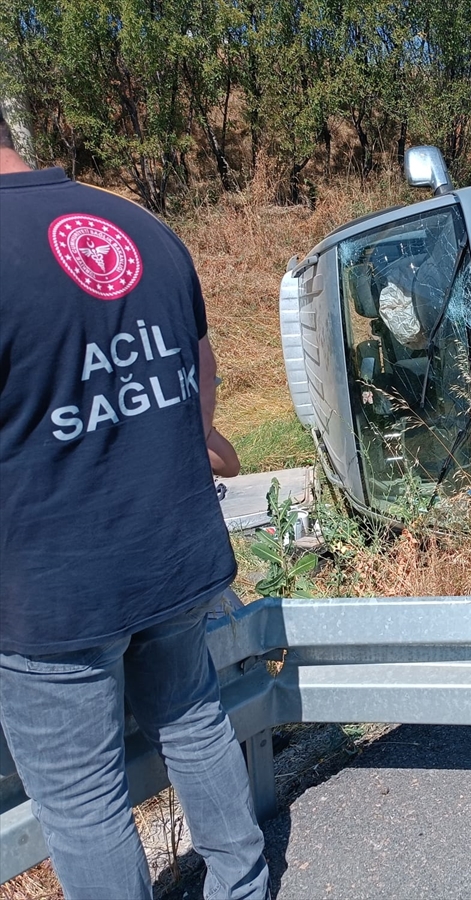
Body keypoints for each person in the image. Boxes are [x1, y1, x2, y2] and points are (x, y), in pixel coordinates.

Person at [0, 114, 268, 899]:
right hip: (176, 551)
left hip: (57, 592)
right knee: (191, 714)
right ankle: (243, 884)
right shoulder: (137, 223)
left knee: (84, 801)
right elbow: (199, 370)